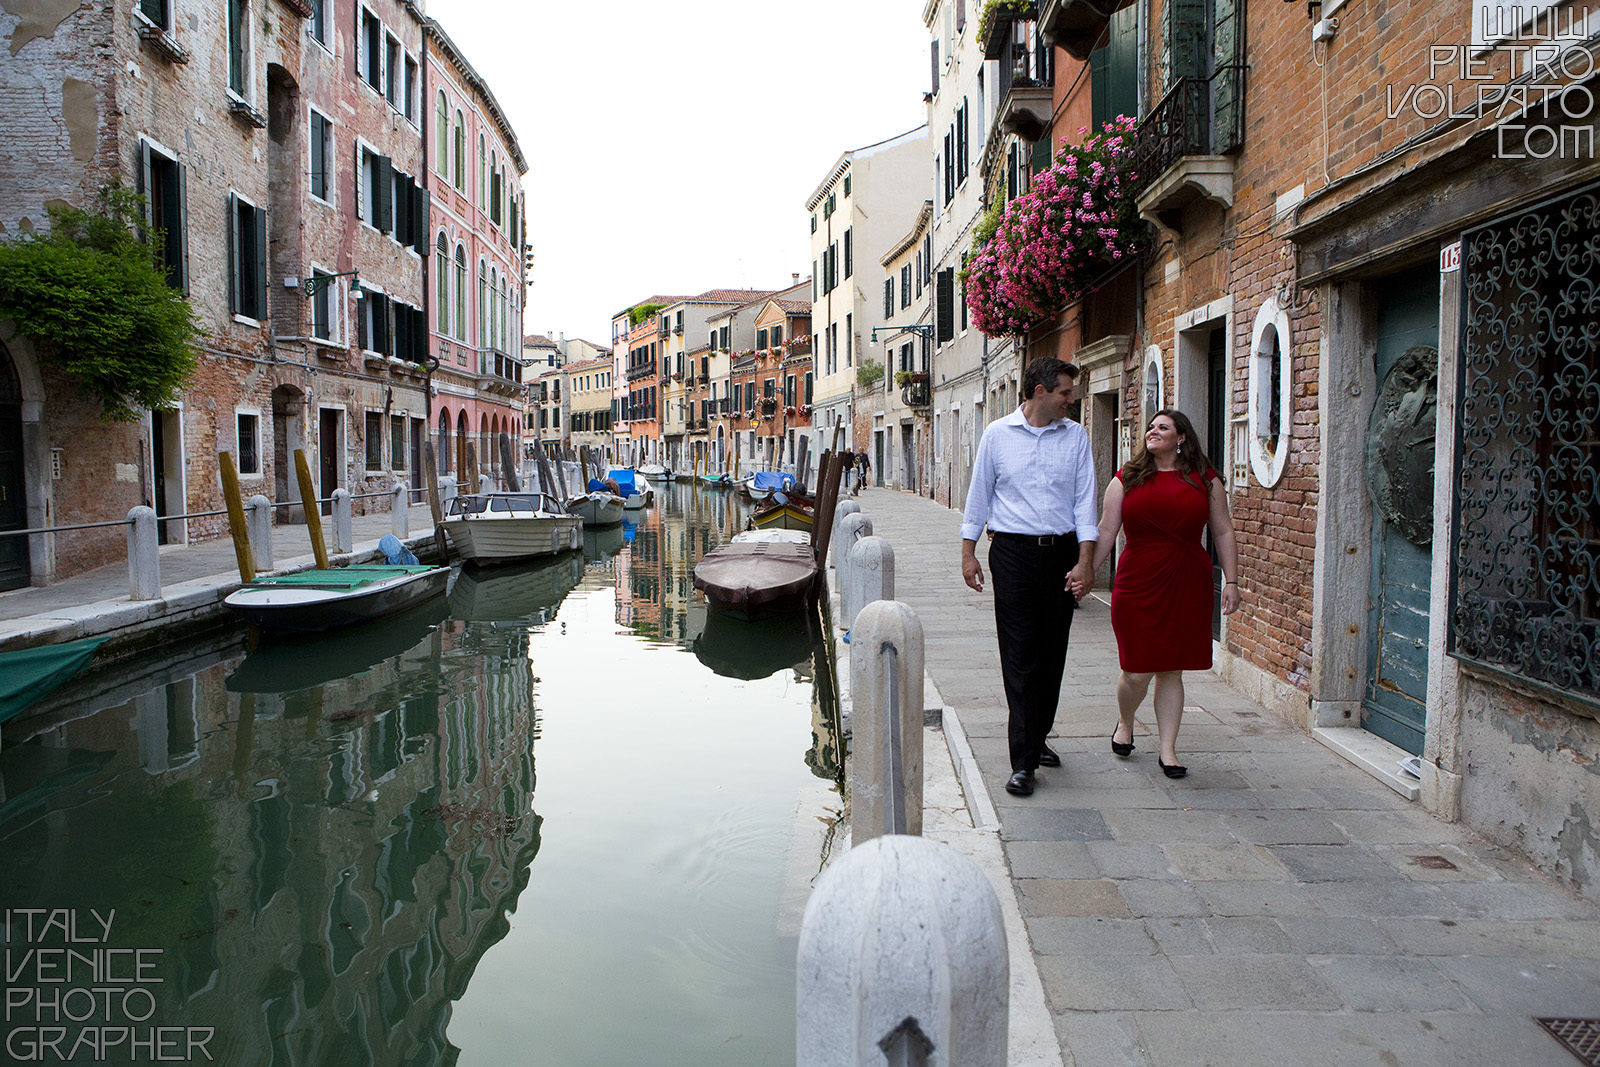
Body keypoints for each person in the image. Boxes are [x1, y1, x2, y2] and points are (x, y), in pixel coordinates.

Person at [960, 357, 1098, 797]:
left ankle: (1037, 738)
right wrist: (969, 552)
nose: (1070, 401)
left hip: (1061, 554)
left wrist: (1085, 561)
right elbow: (979, 494)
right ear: (1040, 391)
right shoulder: (997, 435)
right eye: (1065, 393)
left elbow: (1085, 503)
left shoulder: (1076, 437)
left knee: (1053, 652)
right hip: (1013, 554)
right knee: (1019, 654)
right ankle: (1023, 762)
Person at [1083, 409, 1241, 779]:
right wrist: (1087, 571)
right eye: (1151, 427)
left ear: (1181, 437)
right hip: (1137, 580)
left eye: (1162, 428)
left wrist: (1231, 581)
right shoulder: (1127, 479)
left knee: (1172, 668)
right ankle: (1126, 721)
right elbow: (1107, 530)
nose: (1152, 432)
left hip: (1187, 580)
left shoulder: (1206, 479)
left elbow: (1223, 532)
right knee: (1136, 670)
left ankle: (1169, 750)